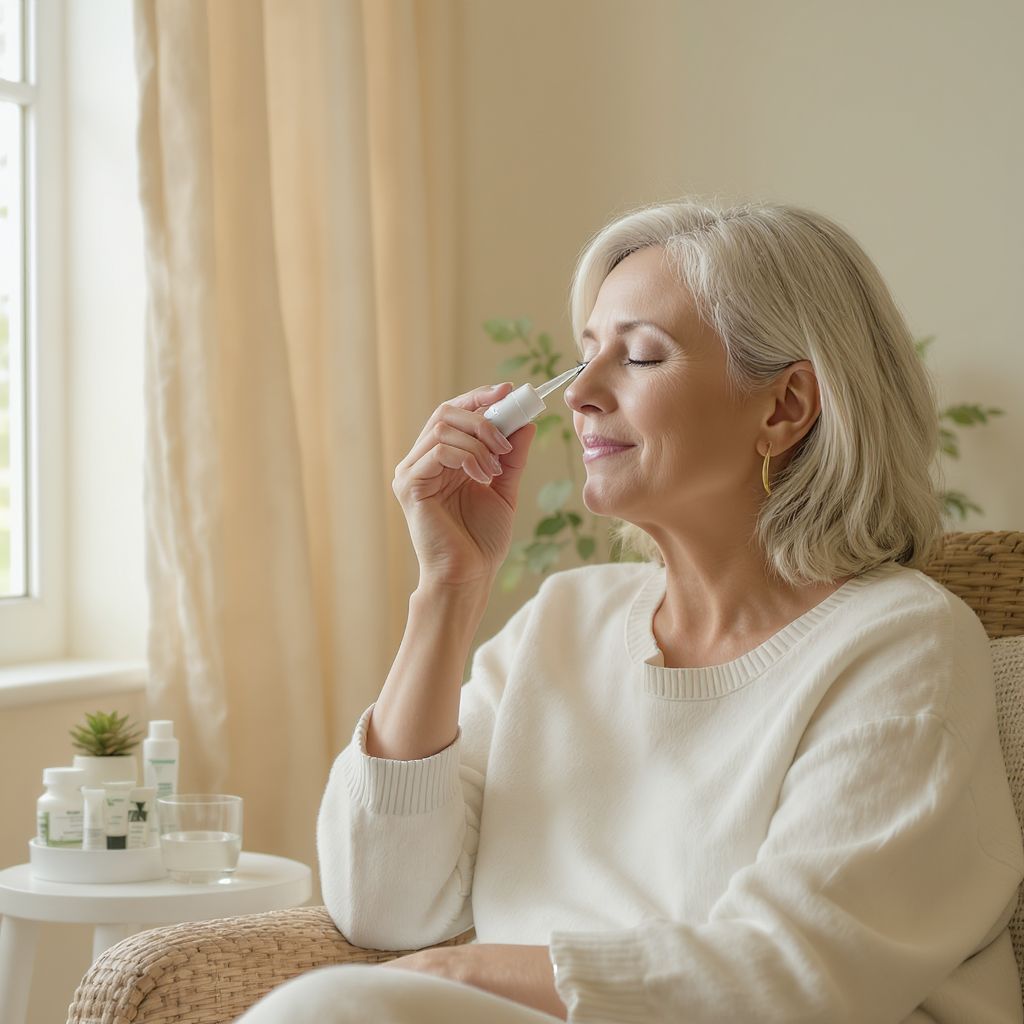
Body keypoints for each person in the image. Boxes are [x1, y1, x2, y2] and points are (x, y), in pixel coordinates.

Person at [240, 200, 1024, 1023]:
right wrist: (448, 588)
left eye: (641, 357)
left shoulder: (902, 647)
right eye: (586, 355)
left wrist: (463, 977)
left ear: (785, 407)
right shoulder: (565, 620)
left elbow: (792, 977)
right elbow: (381, 905)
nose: (579, 393)